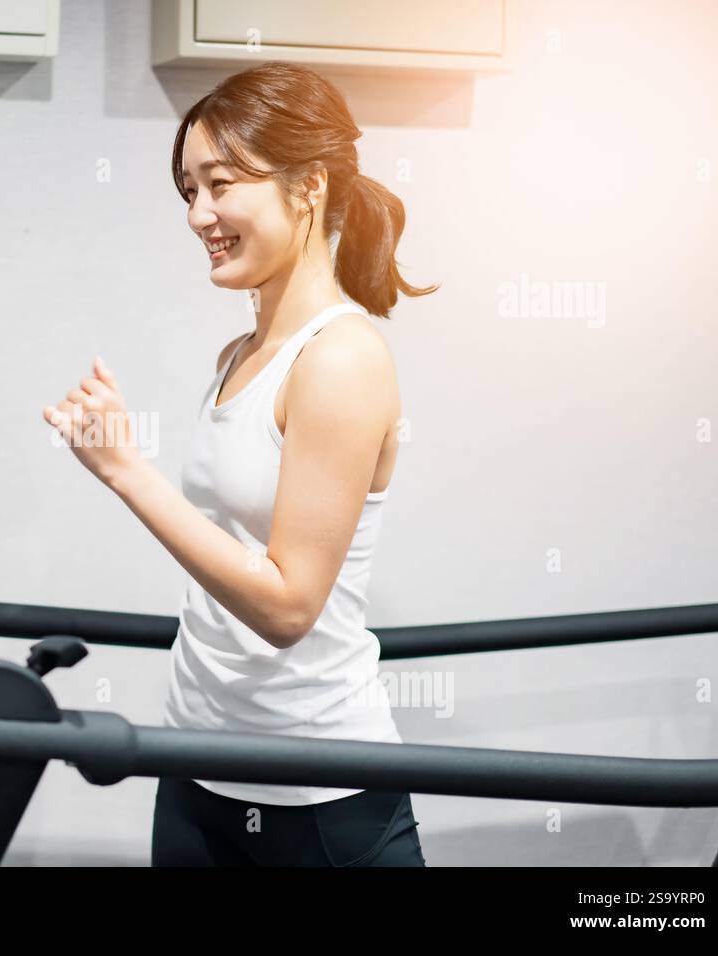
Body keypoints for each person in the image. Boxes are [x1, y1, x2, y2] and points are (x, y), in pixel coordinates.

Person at [42, 61, 437, 866]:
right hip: (197, 766)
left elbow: (289, 606)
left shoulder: (343, 359)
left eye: (220, 183)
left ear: (309, 186)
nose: (199, 214)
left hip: (317, 789)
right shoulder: (239, 353)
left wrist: (127, 471)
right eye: (189, 190)